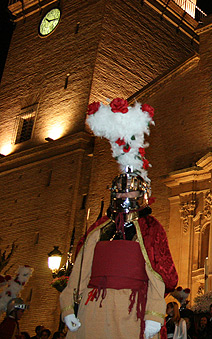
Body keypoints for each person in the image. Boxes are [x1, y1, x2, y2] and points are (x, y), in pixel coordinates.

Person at [60, 99, 178, 339]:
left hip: (131, 309)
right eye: (121, 191)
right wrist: (68, 306)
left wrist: (155, 314)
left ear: (143, 195)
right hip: (92, 308)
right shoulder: (99, 229)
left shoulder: (149, 229)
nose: (126, 196)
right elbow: (81, 271)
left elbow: (158, 273)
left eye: (132, 191)